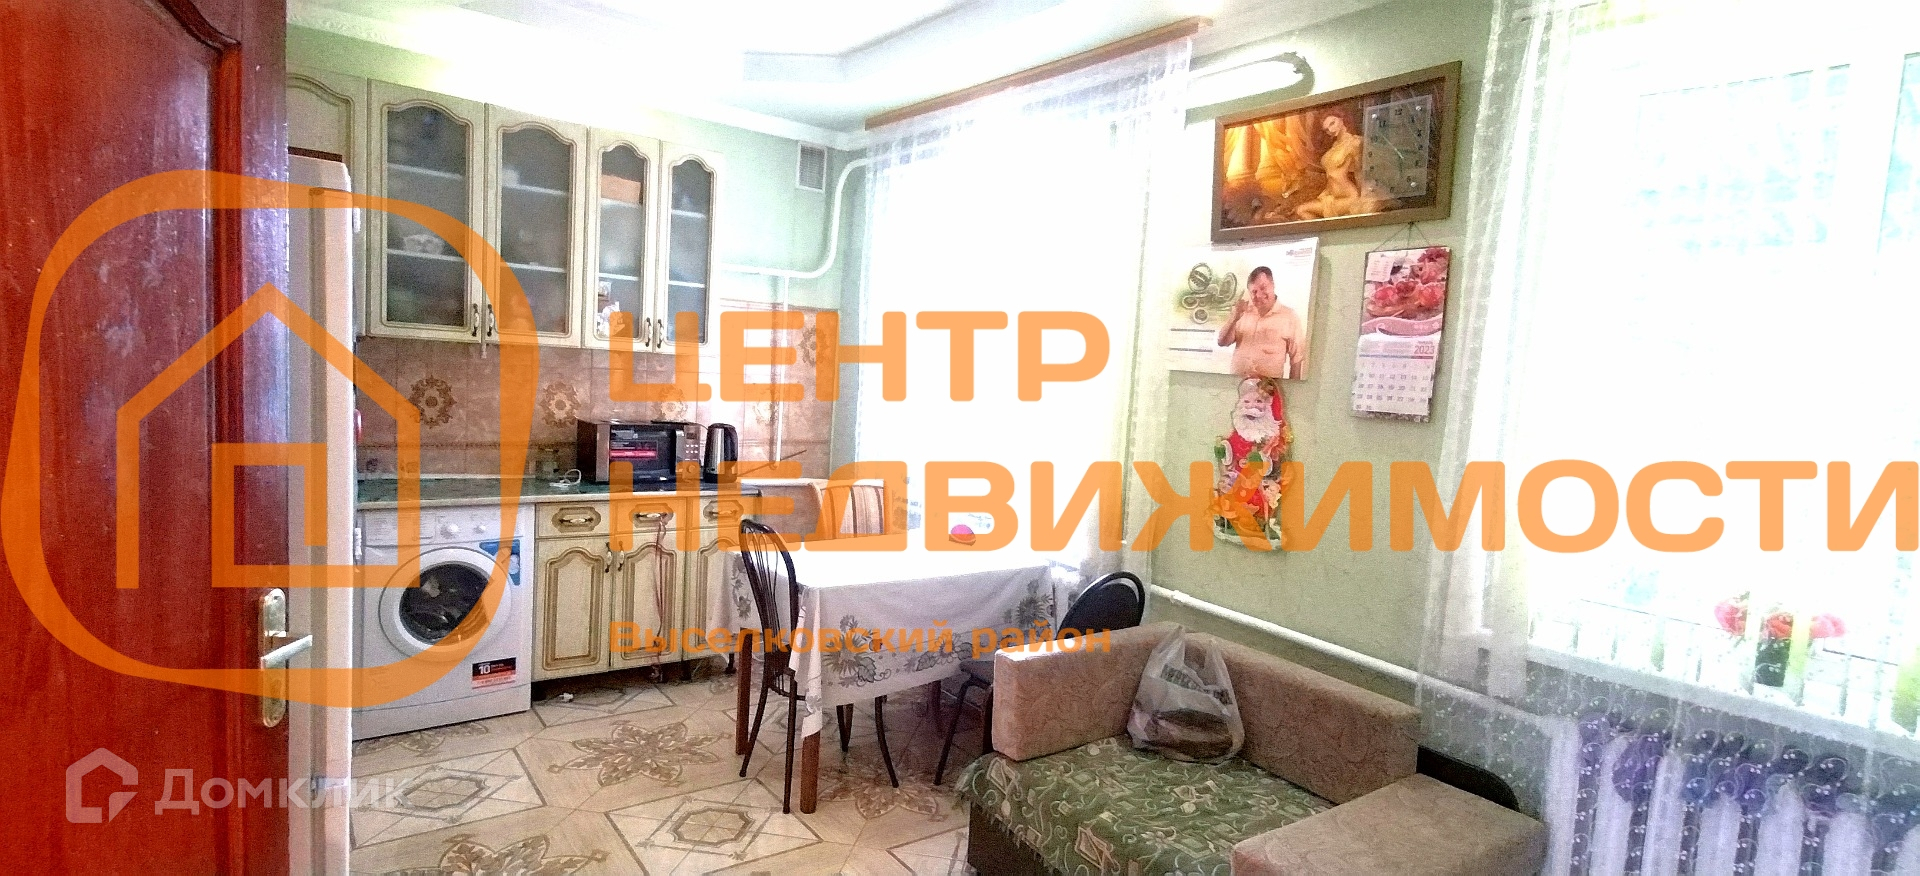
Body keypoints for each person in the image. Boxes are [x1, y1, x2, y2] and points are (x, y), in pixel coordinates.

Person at [1294, 110, 1392, 220]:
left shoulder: (1355, 142)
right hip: (1330, 196)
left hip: (1349, 196)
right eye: (1326, 129)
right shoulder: (1334, 146)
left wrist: (1365, 197)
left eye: (1332, 123)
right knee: (1301, 210)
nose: (1331, 130)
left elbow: (1361, 171)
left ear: (1341, 119)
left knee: (1302, 210)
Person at [1215, 265, 1306, 378]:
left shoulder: (1289, 316)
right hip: (1237, 385)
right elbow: (1222, 342)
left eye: (1263, 288)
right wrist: (1234, 318)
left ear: (1273, 285)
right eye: (1254, 291)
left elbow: (1297, 358)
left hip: (1269, 387)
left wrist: (1294, 388)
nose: (1258, 295)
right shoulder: (1242, 313)